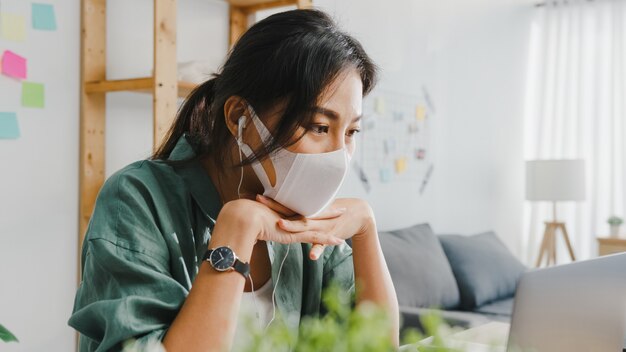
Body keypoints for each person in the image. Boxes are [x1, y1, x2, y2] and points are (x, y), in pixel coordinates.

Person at [69, 9, 399, 352]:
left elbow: (376, 346)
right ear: (239, 117)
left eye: (351, 131)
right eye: (319, 127)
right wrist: (236, 230)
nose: (339, 154)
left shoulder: (304, 215)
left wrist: (366, 231)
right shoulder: (137, 199)